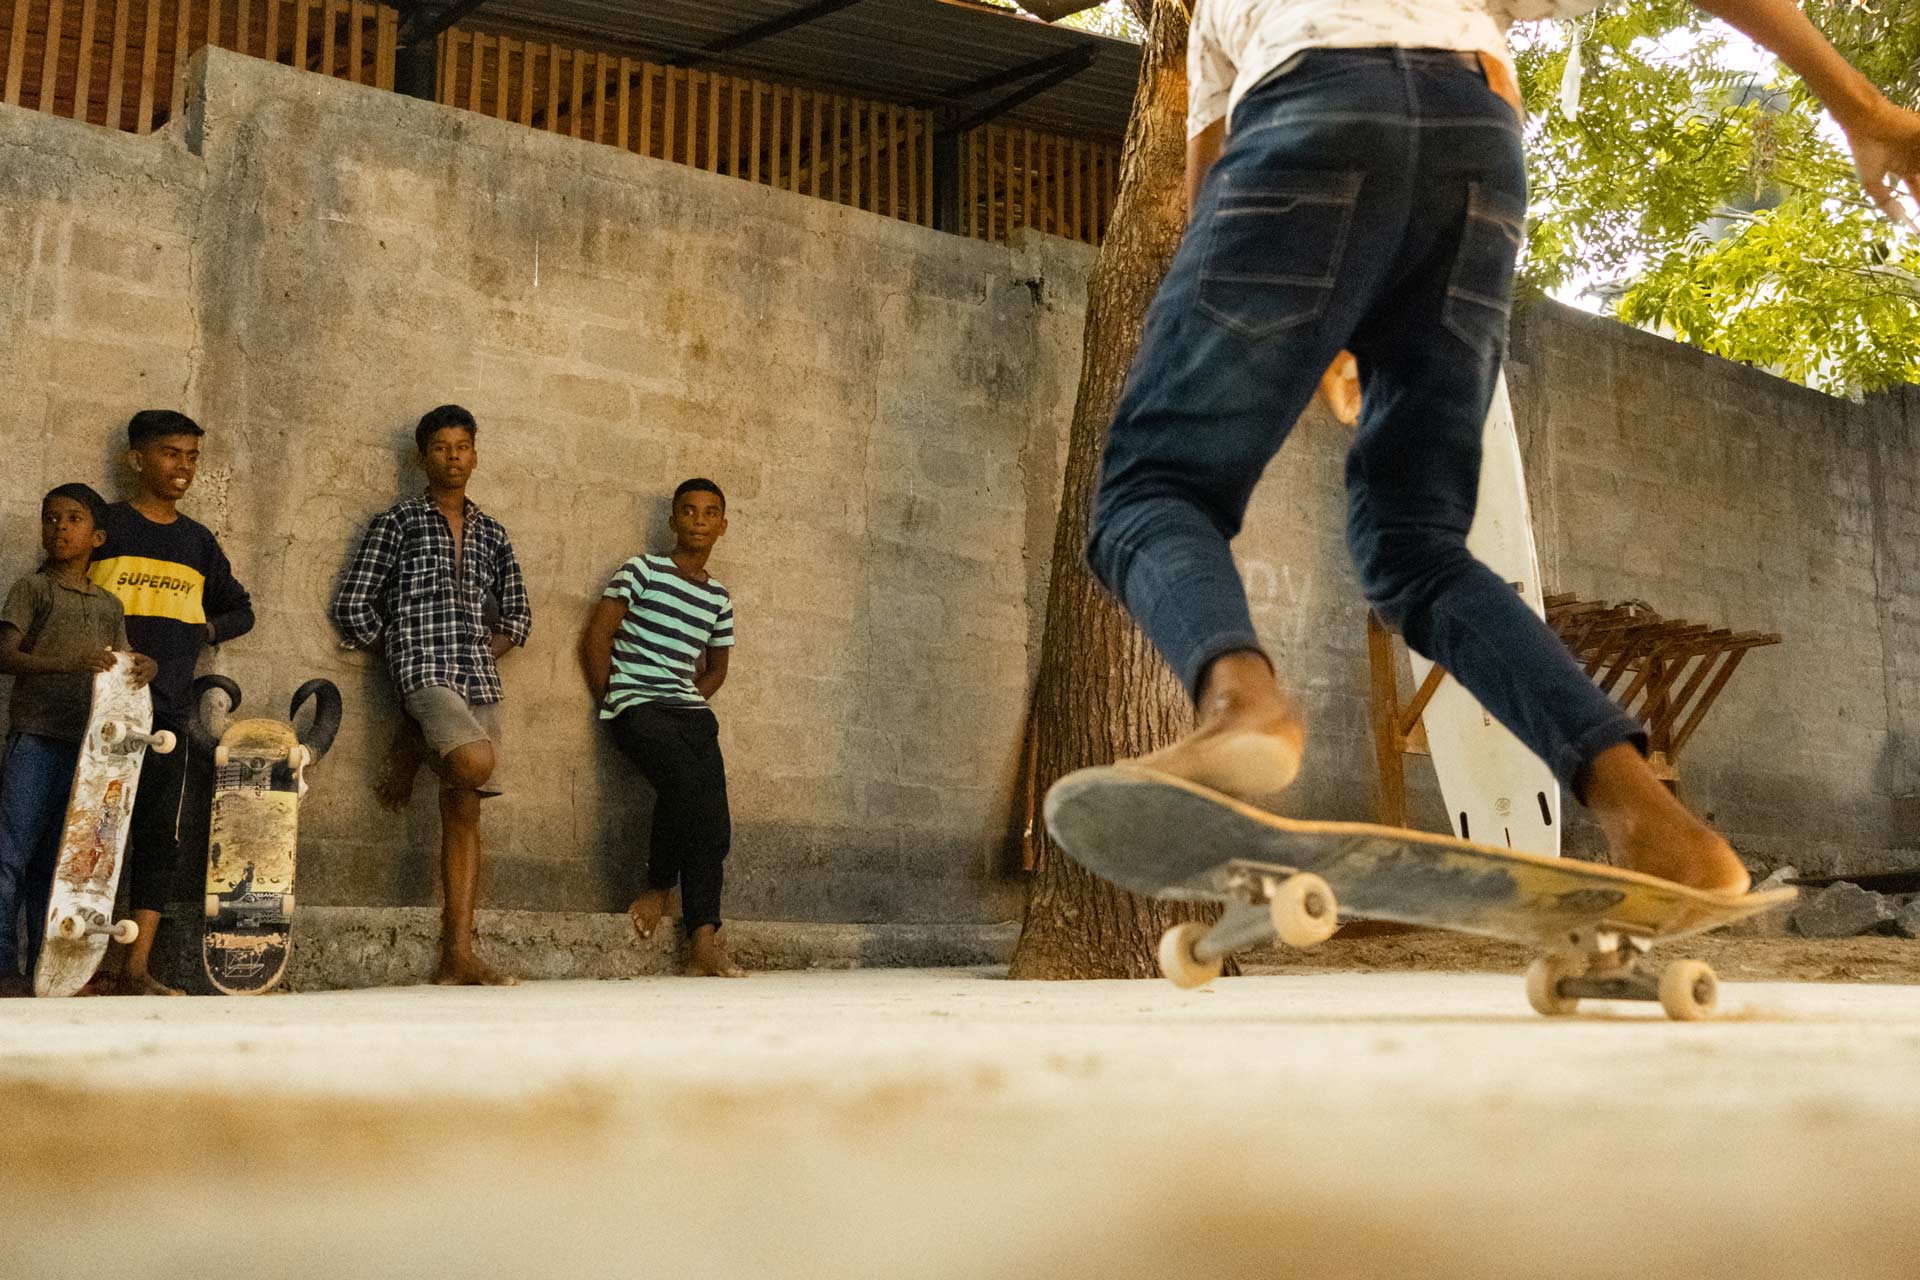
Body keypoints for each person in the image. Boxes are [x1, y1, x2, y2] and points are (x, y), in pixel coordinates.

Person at [1077, 0, 1920, 891]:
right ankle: (1652, 821)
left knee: (1153, 490)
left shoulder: (1211, 12)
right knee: (1418, 550)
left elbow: (1215, 200)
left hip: (1303, 117)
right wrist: (1860, 108)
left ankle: (1239, 701)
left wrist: (1307, 325)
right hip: (1476, 143)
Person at [332, 405, 531, 987]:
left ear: (475, 453)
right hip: (422, 671)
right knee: (474, 762)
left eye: (462, 446)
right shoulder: (396, 522)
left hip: (477, 679)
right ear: (424, 456)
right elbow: (352, 604)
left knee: (464, 808)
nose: (453, 456)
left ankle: (458, 954)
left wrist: (482, 643)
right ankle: (418, 739)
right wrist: (398, 651)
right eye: (441, 447)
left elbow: (517, 613)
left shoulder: (493, 532)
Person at [90, 411, 254, 994]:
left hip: (169, 713)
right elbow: (58, 591)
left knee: (159, 834)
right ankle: (82, 965)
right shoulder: (103, 526)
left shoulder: (197, 541)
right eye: (169, 454)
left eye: (191, 456)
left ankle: (136, 969)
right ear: (137, 458)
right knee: (91, 831)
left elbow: (242, 609)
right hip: (98, 715)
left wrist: (200, 633)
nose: (182, 467)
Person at [578, 478, 742, 978]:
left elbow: (716, 667)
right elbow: (597, 637)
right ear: (673, 520)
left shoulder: (718, 597)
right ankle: (657, 887)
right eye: (688, 511)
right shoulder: (641, 570)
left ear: (722, 525)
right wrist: (616, 700)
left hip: (689, 714)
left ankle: (704, 942)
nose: (698, 520)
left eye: (709, 513)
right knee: (686, 784)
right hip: (636, 705)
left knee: (714, 821)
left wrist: (689, 697)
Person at [0, 485, 156, 995]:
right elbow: (5, 657)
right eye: (50, 519)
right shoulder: (32, 588)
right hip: (37, 739)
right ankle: (4, 969)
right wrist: (67, 664)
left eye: (72, 519)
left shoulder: (109, 604)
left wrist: (145, 666)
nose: (59, 528)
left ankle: (49, 974)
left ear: (97, 536)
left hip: (90, 754)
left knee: (59, 868)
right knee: (10, 857)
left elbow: (124, 665)